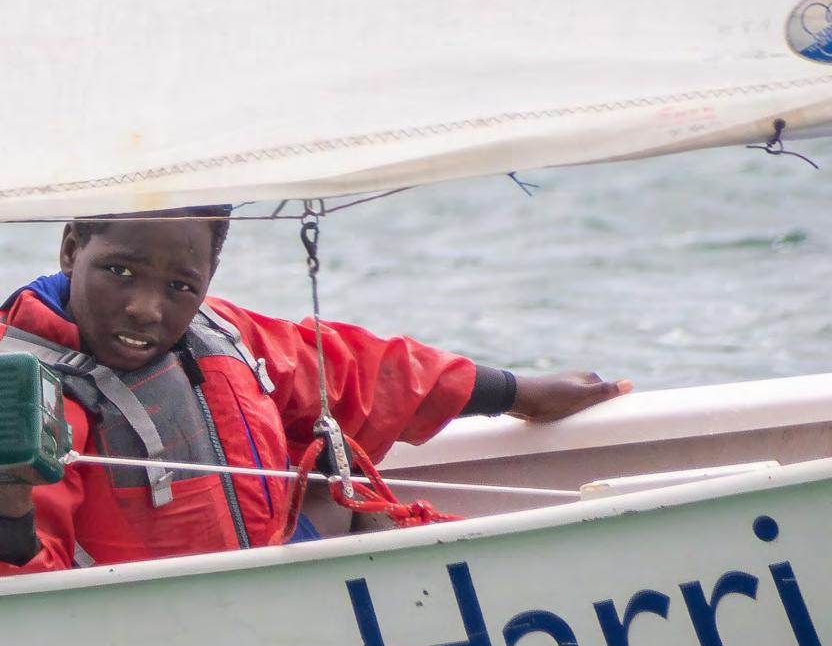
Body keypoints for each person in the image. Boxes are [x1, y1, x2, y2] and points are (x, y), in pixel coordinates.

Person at [0, 208, 629, 573]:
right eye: (119, 271)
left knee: (336, 476)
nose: (145, 308)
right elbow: (30, 592)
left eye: (180, 286)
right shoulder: (26, 390)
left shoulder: (222, 333)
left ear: (209, 278)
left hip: (273, 572)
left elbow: (359, 372)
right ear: (71, 249)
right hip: (150, 618)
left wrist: (518, 393)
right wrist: (10, 502)